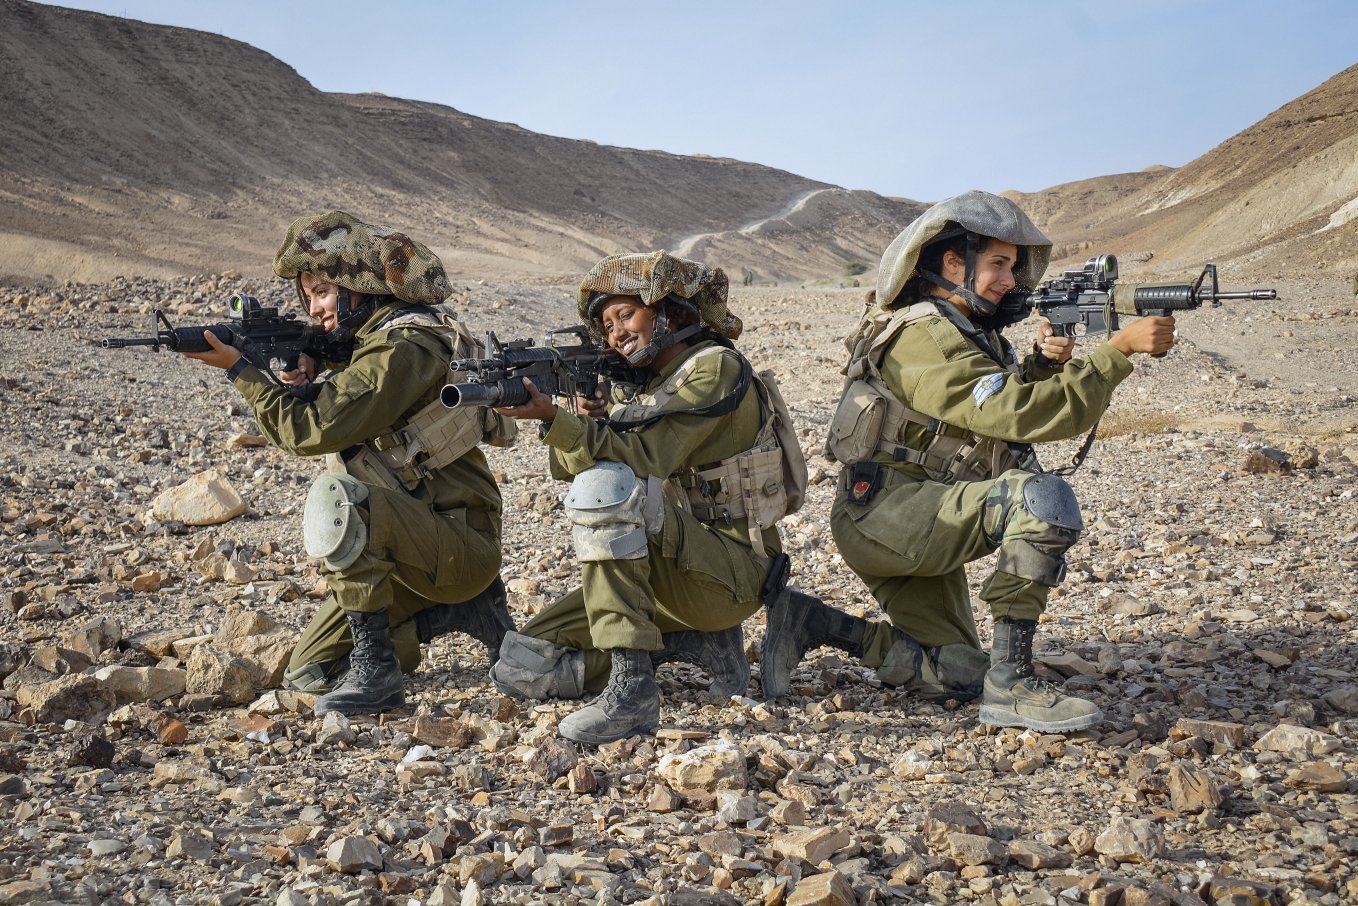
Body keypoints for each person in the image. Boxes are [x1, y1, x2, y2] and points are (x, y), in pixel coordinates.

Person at [762, 190, 1175, 733]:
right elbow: (1018, 414)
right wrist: (1116, 353)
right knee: (1039, 498)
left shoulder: (970, 335)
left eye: (1012, 266)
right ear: (953, 263)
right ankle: (1014, 689)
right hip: (887, 516)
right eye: (999, 264)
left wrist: (1040, 364)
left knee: (958, 675)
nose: (1011, 280)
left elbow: (989, 408)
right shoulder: (922, 335)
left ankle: (816, 623)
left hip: (918, 511)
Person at [182, 211, 515, 715]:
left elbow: (310, 429)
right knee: (309, 672)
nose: (314, 309)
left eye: (322, 292)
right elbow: (348, 387)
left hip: (461, 545)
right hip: (411, 551)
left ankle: (380, 673)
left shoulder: (407, 345)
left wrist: (241, 371)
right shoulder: (366, 345)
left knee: (343, 503)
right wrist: (313, 367)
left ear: (360, 287)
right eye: (308, 295)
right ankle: (446, 614)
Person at [490, 250, 805, 744]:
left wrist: (557, 420)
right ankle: (689, 641)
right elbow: (565, 466)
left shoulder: (714, 368)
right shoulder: (644, 386)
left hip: (733, 572)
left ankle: (632, 691)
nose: (616, 332)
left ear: (670, 310)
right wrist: (584, 418)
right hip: (668, 568)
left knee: (609, 489)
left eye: (626, 314)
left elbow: (645, 457)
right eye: (606, 323)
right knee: (523, 664)